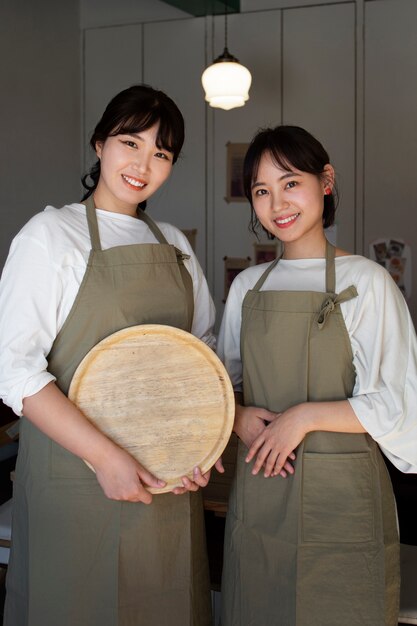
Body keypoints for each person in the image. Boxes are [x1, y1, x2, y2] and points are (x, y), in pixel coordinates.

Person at [0, 84, 219, 626]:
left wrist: (199, 447)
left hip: (164, 484)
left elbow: (203, 358)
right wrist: (105, 458)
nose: (143, 163)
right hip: (75, 481)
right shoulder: (51, 235)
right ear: (100, 143)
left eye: (162, 153)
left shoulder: (175, 244)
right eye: (131, 142)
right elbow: (13, 369)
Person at [218, 125, 417, 626]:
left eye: (290, 182)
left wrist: (303, 417)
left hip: (343, 500)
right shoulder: (246, 287)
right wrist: (237, 416)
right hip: (262, 490)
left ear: (325, 181)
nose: (277, 203)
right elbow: (221, 386)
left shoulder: (366, 281)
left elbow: (401, 404)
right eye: (261, 191)